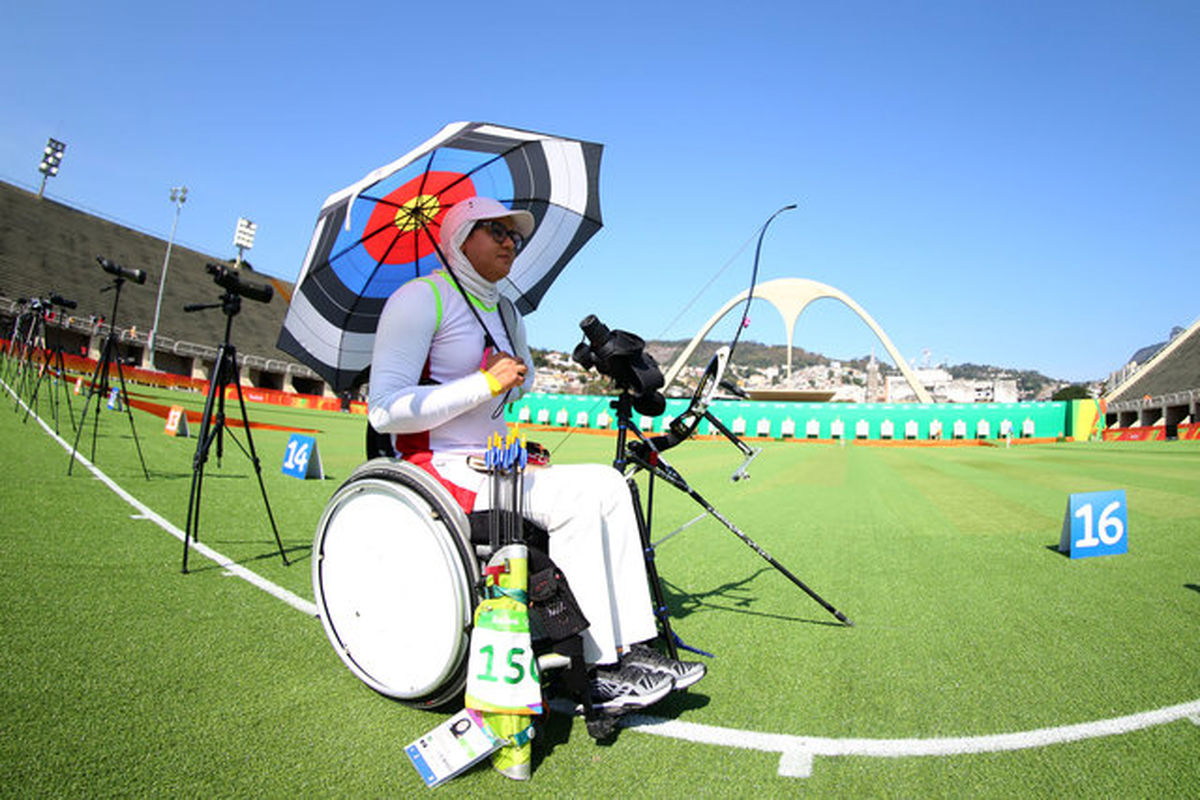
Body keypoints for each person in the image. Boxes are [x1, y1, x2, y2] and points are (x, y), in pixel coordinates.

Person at [368, 196, 704, 712]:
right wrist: (482, 381)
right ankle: (594, 668)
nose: (510, 243)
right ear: (459, 237)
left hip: (498, 460)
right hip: (440, 466)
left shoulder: (505, 310)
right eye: (497, 232)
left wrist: (518, 374)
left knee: (610, 485)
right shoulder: (419, 300)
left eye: (514, 236)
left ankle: (634, 647)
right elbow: (385, 411)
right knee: (575, 500)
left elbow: (515, 387)